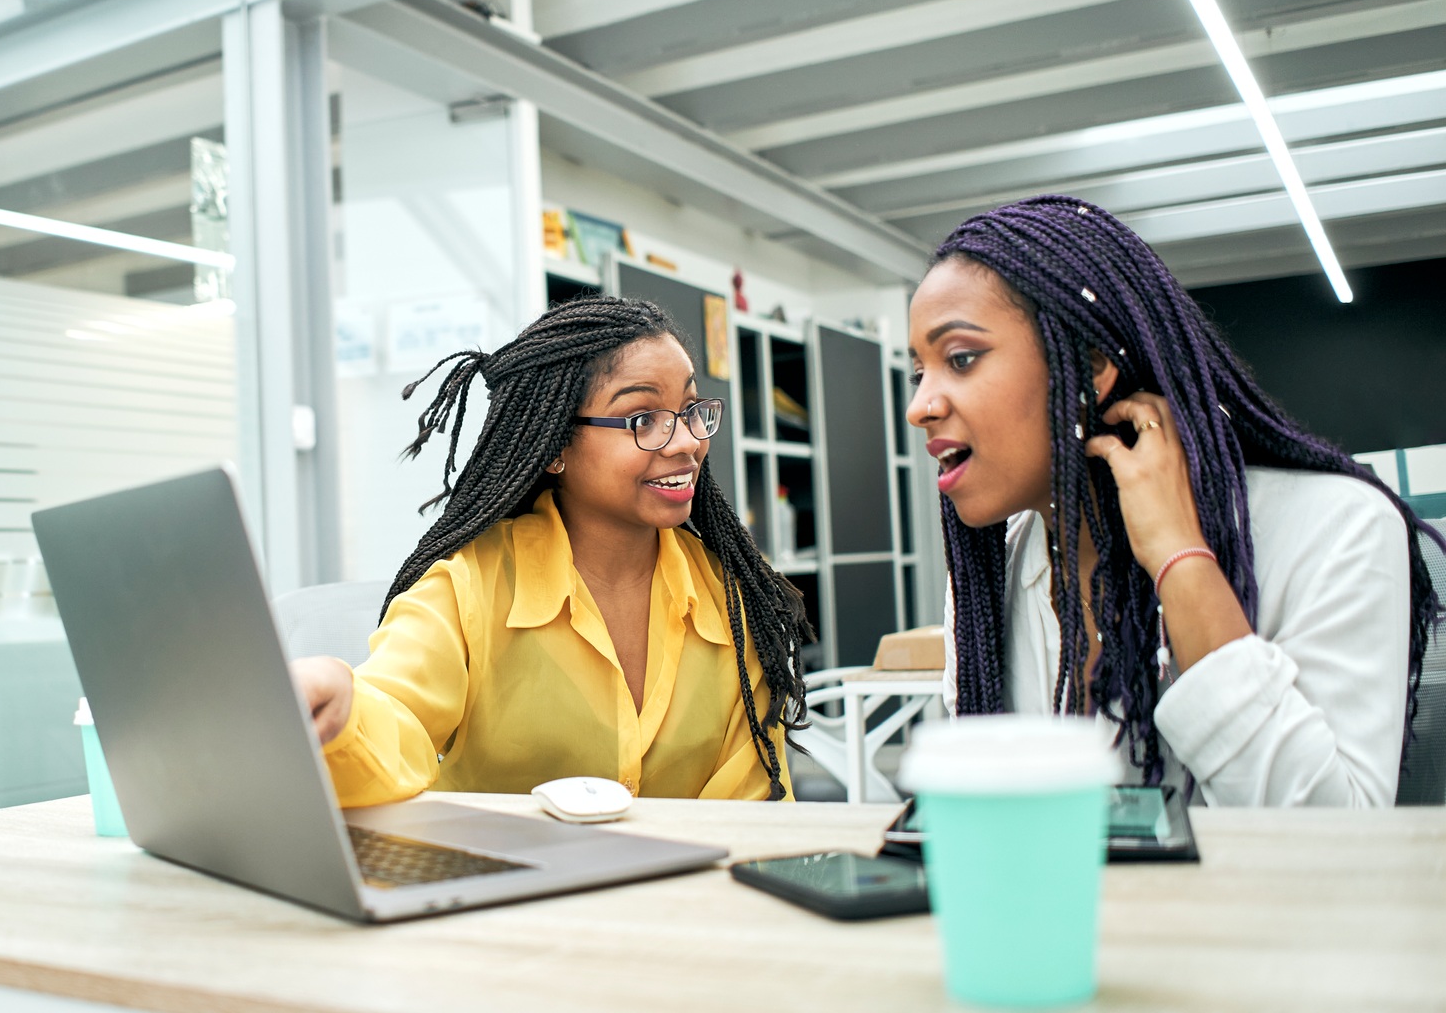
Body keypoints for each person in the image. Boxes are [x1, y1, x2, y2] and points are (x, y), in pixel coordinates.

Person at [906, 195, 1441, 805]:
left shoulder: (1336, 526)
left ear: (1089, 365)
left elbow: (1335, 837)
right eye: (918, 371)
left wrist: (1179, 559)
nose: (920, 405)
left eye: (961, 359)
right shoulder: (989, 574)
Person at [290, 295, 812, 806]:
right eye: (642, 419)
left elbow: (754, 802)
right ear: (556, 445)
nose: (686, 443)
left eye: (690, 410)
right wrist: (343, 702)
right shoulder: (470, 586)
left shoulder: (732, 596)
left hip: (684, 889)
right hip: (501, 888)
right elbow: (394, 714)